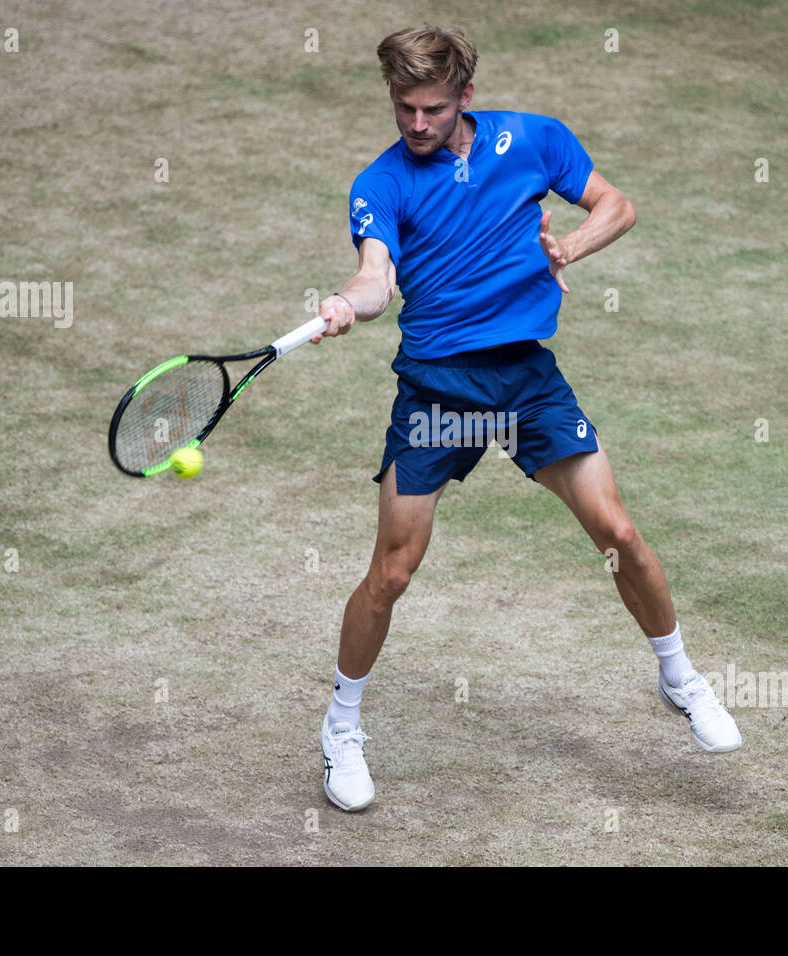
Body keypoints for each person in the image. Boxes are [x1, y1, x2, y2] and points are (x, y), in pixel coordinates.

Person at [310, 24, 740, 812]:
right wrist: (350, 302)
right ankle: (341, 728)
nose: (416, 124)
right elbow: (377, 278)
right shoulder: (381, 184)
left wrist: (568, 248)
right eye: (404, 107)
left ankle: (680, 676)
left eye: (432, 108)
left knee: (619, 532)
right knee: (394, 572)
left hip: (526, 385)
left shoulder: (535, 141)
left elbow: (618, 203)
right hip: (438, 398)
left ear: (465, 97)